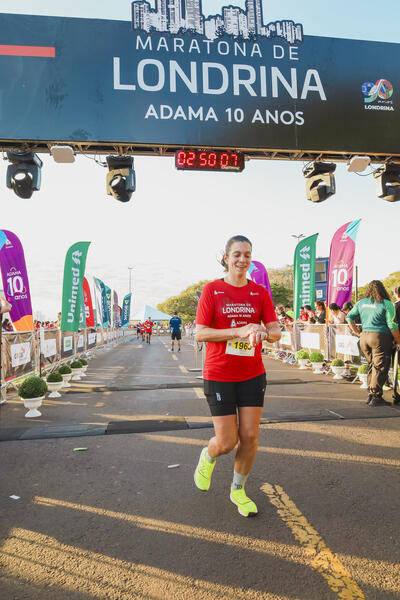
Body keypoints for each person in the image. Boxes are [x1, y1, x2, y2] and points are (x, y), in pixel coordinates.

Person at [194, 235, 281, 517]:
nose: (242, 260)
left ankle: (238, 490)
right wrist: (239, 330)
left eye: (247, 255)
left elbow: (276, 331)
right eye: (237, 255)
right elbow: (201, 333)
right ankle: (208, 455)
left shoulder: (259, 292)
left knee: (250, 436)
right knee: (227, 441)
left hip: (252, 374)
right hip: (219, 373)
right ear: (226, 258)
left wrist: (261, 331)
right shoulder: (212, 290)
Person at [346, 280, 400, 406]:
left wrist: (357, 333)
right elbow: (392, 324)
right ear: (383, 289)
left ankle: (371, 395)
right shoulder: (387, 304)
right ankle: (376, 397)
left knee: (373, 366)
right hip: (380, 338)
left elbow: (349, 317)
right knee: (380, 367)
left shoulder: (361, 303)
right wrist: (398, 340)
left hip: (364, 337)